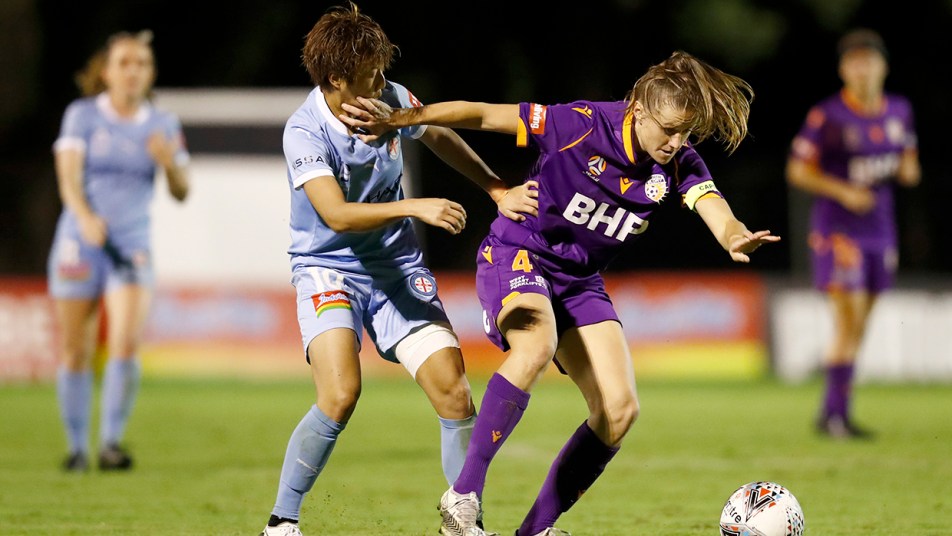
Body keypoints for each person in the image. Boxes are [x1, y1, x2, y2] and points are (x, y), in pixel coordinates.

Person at [342, 50, 780, 536]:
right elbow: (485, 114)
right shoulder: (582, 124)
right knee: (537, 343)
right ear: (638, 108)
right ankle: (462, 495)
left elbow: (714, 207)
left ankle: (535, 531)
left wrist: (735, 234)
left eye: (687, 133)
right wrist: (406, 118)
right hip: (520, 251)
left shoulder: (678, 163)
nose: (677, 143)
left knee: (619, 409)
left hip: (580, 280)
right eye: (670, 129)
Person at [258, 4, 538, 536]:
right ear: (337, 79)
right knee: (340, 394)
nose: (383, 81)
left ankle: (463, 522)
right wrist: (414, 206)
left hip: (395, 268)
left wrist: (495, 189)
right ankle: (282, 521)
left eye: (384, 70)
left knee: (454, 392)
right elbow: (335, 214)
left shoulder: (390, 98)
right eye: (371, 74)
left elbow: (437, 134)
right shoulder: (305, 131)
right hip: (328, 268)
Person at [48, 30, 190, 472]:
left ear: (151, 72)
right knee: (75, 350)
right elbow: (68, 179)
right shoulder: (82, 116)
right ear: (106, 71)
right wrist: (86, 217)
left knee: (125, 344)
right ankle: (76, 448)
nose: (133, 71)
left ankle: (110, 443)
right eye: (125, 63)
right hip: (80, 241)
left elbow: (182, 191)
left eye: (142, 64)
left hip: (132, 246)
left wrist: (168, 163)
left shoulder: (163, 124)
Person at [786, 28, 920, 439]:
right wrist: (843, 190)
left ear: (884, 66)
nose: (863, 69)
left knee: (860, 325)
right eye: (855, 61)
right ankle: (837, 416)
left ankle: (832, 413)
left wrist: (907, 168)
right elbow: (797, 170)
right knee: (848, 321)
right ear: (844, 69)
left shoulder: (899, 110)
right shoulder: (828, 115)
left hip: (881, 231)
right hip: (838, 233)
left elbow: (909, 161)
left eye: (870, 60)